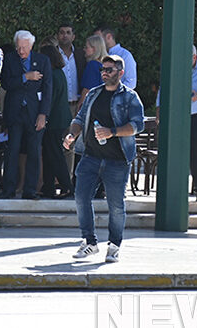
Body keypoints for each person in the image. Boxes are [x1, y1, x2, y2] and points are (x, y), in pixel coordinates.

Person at [63, 55, 144, 263]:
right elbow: (79, 119)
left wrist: (112, 132)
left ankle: (114, 245)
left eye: (109, 69)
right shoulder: (94, 94)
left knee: (116, 205)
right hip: (90, 156)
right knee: (81, 198)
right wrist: (72, 135)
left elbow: (137, 125)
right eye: (103, 69)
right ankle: (89, 242)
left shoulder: (130, 97)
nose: (104, 73)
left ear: (120, 73)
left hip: (116, 160)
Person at [156, 46, 197, 202]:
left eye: (188, 57)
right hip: (175, 117)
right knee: (173, 153)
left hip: (196, 117)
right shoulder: (172, 70)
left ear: (194, 57)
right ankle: (172, 190)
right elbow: (162, 92)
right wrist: (159, 113)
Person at [0, 30, 52, 199]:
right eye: (19, 47)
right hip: (15, 113)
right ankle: (8, 189)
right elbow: (7, 83)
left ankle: (30, 190)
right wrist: (25, 77)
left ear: (31, 45)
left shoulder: (42, 61)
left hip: (34, 113)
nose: (21, 51)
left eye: (24, 47)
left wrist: (43, 114)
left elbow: (47, 89)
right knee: (12, 151)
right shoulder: (9, 60)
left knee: (34, 152)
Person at [39, 45, 74, 199]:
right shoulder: (59, 73)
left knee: (54, 153)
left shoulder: (52, 75)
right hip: (60, 118)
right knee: (49, 153)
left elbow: (49, 99)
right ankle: (48, 186)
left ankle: (67, 186)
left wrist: (42, 115)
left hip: (54, 120)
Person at [56, 23, 86, 180]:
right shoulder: (54, 55)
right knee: (60, 143)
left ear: (73, 36)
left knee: (73, 143)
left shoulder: (80, 55)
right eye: (61, 32)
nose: (64, 35)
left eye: (68, 32)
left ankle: (70, 180)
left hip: (76, 104)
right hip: (59, 105)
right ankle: (60, 180)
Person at [77, 34, 108, 110]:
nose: (84, 49)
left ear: (94, 49)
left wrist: (79, 107)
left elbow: (87, 90)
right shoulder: (106, 66)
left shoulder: (92, 65)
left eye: (86, 47)